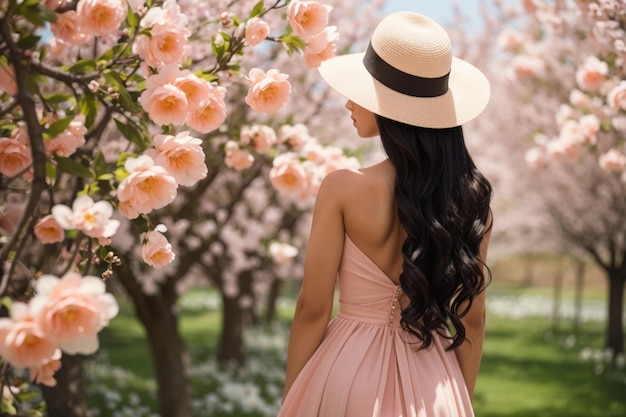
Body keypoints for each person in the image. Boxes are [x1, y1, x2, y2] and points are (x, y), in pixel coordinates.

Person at [277, 11, 493, 417]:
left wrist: (294, 399)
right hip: (435, 379)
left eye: (362, 90)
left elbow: (313, 308)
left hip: (345, 374)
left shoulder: (342, 187)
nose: (347, 102)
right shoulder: (472, 199)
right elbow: (473, 323)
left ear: (389, 106)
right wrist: (457, 400)